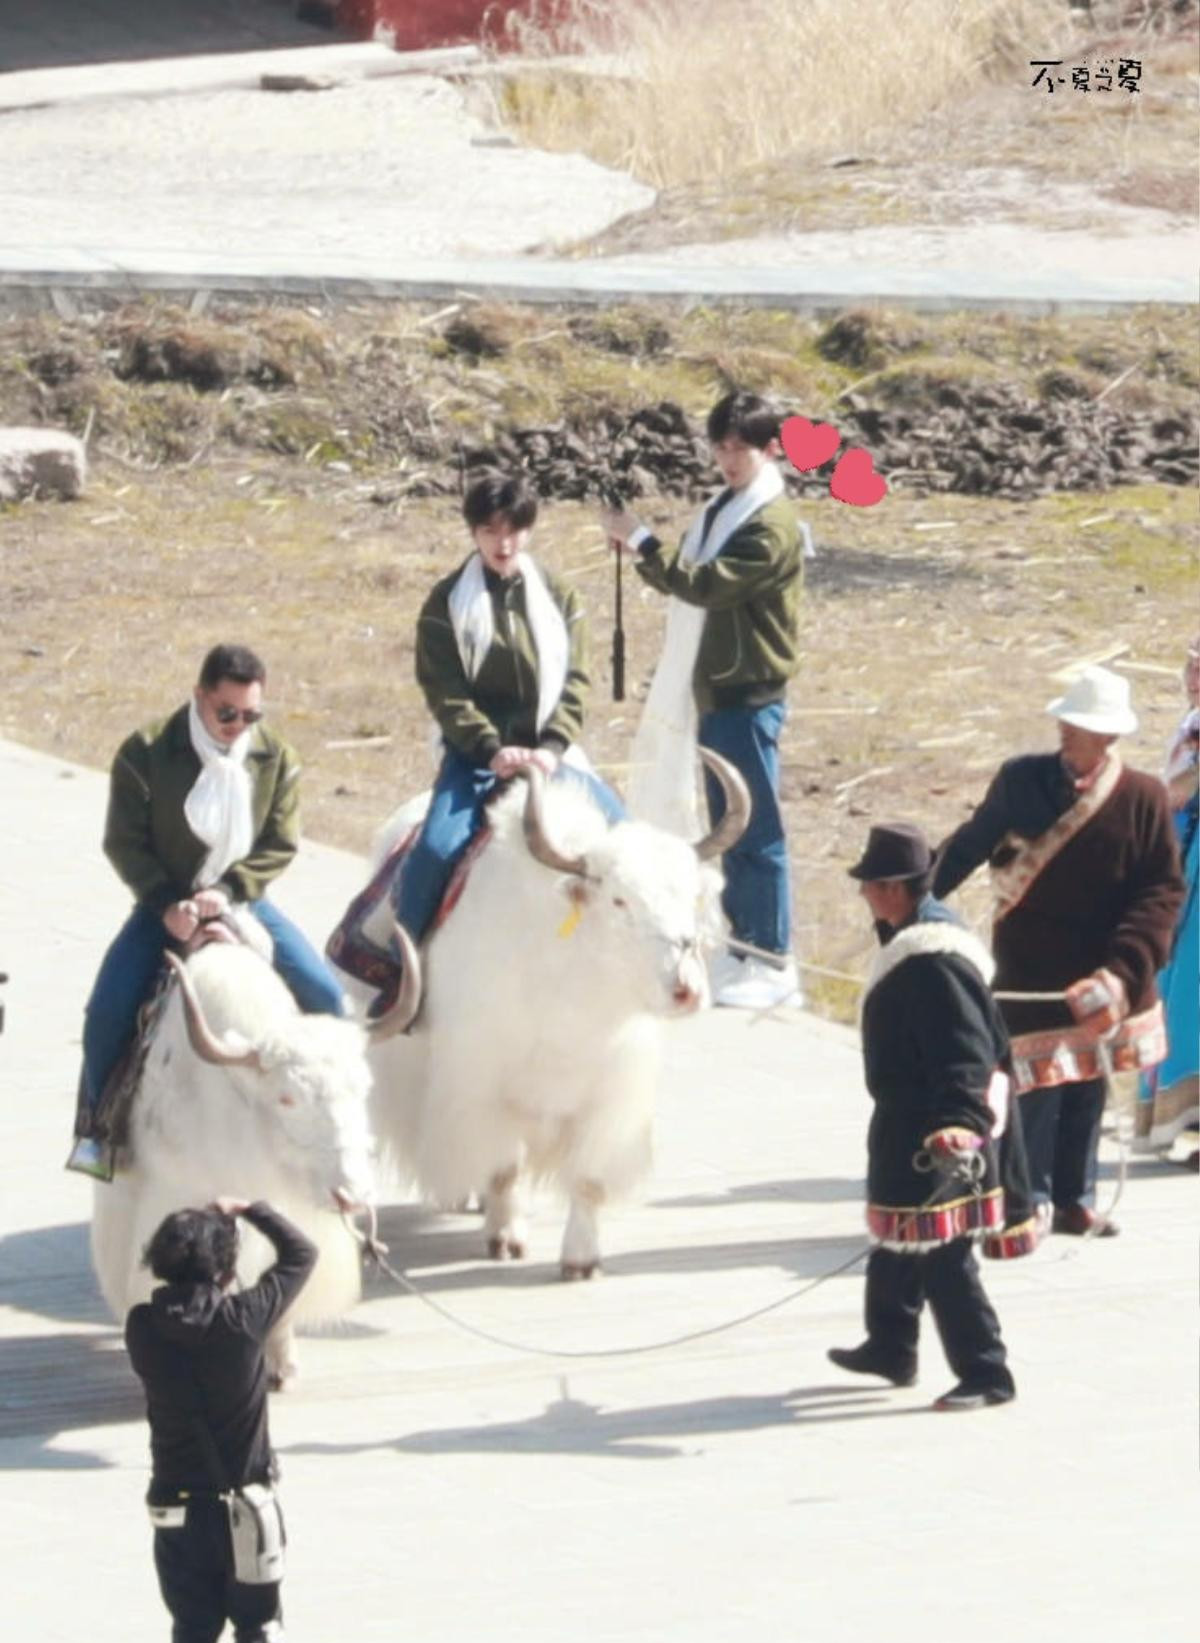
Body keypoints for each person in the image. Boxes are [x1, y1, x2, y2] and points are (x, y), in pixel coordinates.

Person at [70, 644, 345, 1177]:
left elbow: (279, 842)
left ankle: (332, 1128)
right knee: (106, 1011)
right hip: (164, 905)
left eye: (251, 715)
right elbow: (123, 842)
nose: (238, 725)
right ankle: (98, 1134)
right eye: (227, 713)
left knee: (328, 998)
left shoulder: (277, 757)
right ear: (200, 698)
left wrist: (230, 889)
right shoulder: (144, 752)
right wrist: (165, 903)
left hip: (242, 904)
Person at [933, 665, 1184, 1238]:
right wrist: (920, 904)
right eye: (1066, 723)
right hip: (1031, 967)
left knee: (1088, 1084)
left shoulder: (1143, 798)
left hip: (1104, 970)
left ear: (1108, 737)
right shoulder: (1021, 779)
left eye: (1079, 726)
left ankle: (1076, 1197)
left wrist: (1123, 974)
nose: (1065, 734)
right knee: (1032, 1085)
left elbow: (1161, 890)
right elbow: (973, 842)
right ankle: (1030, 1195)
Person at [369, 470, 623, 1017]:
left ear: (529, 530)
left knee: (622, 839)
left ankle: (625, 969)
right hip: (475, 758)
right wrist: (490, 748)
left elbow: (577, 679)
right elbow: (445, 690)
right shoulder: (445, 603)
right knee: (435, 850)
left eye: (513, 530)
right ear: (473, 533)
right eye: (489, 531)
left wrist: (552, 746)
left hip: (551, 755)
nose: (503, 544)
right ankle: (401, 977)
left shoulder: (561, 596)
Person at [599, 390, 805, 1011]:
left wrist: (641, 541)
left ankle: (772, 959)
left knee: (755, 827)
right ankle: (745, 946)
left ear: (770, 449)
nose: (728, 459)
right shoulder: (724, 506)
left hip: (748, 691)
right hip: (717, 689)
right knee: (726, 823)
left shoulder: (769, 526)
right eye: (719, 447)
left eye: (740, 448)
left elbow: (704, 586)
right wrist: (644, 553)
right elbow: (690, 571)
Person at [828, 823, 1037, 1411]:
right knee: (898, 1240)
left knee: (944, 1256)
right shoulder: (910, 937)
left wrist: (959, 1124)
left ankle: (987, 1371)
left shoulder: (934, 962)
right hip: (906, 1120)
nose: (865, 895)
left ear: (894, 888)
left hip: (941, 1131)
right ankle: (891, 1344)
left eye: (870, 886)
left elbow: (967, 1052)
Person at [126, 1197, 317, 1643]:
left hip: (176, 1512)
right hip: (247, 1510)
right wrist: (251, 1208)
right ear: (225, 1268)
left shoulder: (141, 1327)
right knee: (257, 1626)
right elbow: (302, 1253)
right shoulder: (245, 1320)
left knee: (192, 1629)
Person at [1134, 638, 1199, 1158]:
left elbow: (1175, 792)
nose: (1192, 679)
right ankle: (1178, 1116)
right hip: (1183, 865)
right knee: (1173, 987)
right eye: (1190, 668)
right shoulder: (1188, 730)